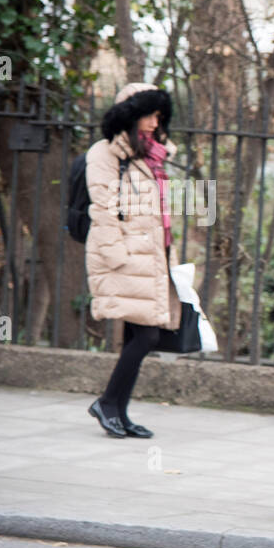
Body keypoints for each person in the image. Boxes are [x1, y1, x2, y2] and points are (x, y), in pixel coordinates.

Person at [84, 82, 182, 439]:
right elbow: (104, 209)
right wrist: (116, 257)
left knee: (137, 336)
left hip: (152, 257)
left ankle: (118, 411)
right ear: (129, 116)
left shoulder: (151, 156)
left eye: (159, 115)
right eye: (149, 115)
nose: (155, 123)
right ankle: (109, 404)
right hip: (124, 258)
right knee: (146, 337)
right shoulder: (105, 154)